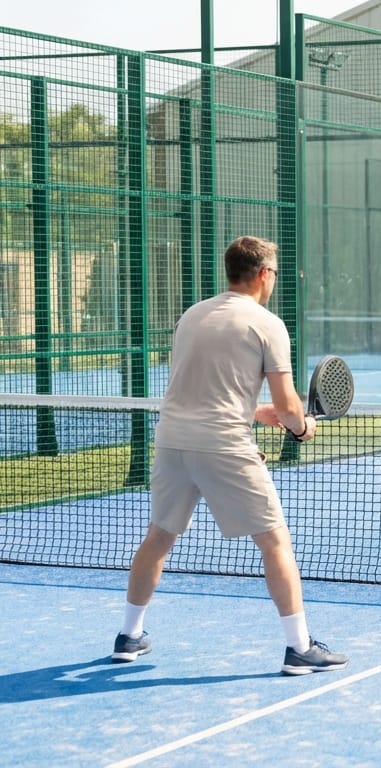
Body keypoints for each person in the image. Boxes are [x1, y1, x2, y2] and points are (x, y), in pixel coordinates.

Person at [111, 235, 349, 675]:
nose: (273, 280)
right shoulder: (267, 324)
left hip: (171, 443)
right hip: (223, 447)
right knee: (275, 542)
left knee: (159, 537)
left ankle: (128, 636)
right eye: (274, 273)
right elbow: (290, 405)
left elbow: (200, 389)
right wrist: (301, 427)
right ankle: (299, 648)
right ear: (263, 274)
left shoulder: (192, 316)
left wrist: (254, 412)